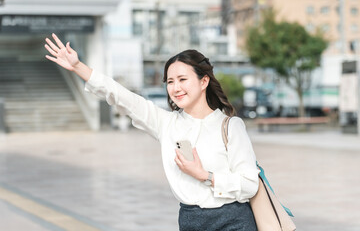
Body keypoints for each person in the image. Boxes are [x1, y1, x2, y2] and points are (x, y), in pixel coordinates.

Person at [44, 33, 259, 231]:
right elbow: (123, 97)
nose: (176, 88)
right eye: (170, 82)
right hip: (190, 220)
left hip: (233, 221)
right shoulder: (166, 123)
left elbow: (250, 184)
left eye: (183, 79)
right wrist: (78, 66)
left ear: (204, 81)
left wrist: (206, 176)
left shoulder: (231, 126)